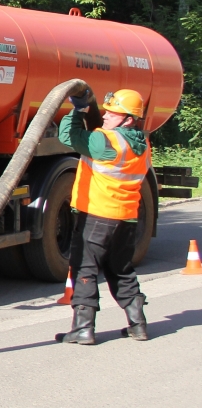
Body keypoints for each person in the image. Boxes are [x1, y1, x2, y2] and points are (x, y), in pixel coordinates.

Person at [55, 89, 150, 345]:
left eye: (113, 113)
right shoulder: (142, 143)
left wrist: (78, 111)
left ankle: (83, 329)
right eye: (105, 110)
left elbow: (67, 136)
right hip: (127, 217)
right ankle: (138, 324)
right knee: (121, 269)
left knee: (85, 268)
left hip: (98, 216)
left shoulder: (105, 141)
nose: (106, 116)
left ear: (128, 119)